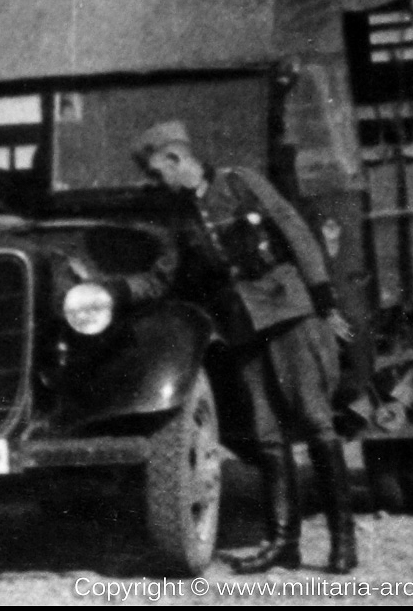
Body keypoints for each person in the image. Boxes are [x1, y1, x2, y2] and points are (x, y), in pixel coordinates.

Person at [131, 120, 358, 574]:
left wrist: (325, 300)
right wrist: (116, 292)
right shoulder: (180, 216)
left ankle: (343, 543)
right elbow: (162, 276)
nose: (157, 184)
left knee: (315, 422)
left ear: (176, 159)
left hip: (289, 313)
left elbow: (296, 233)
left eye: (159, 173)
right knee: (267, 433)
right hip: (241, 328)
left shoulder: (240, 183)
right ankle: (283, 543)